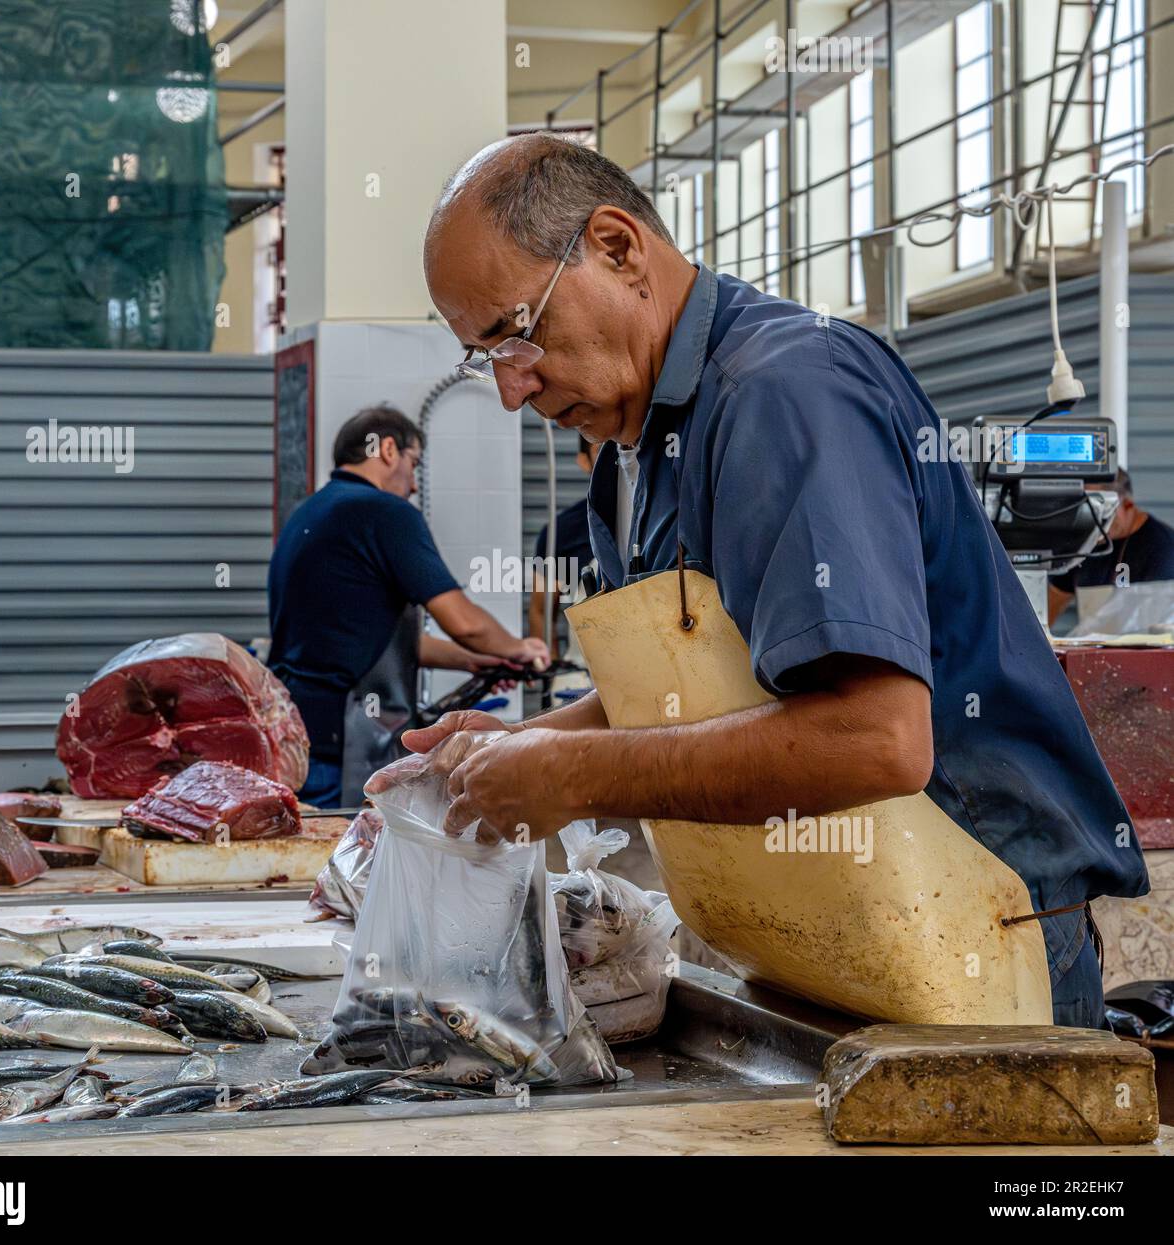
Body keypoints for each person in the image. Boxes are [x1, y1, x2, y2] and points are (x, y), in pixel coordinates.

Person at [402, 133, 1148, 1028]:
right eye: (484, 362)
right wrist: (495, 753)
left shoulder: (789, 392)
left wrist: (572, 770)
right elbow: (705, 691)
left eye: (515, 336)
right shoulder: (636, 448)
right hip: (832, 942)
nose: (513, 393)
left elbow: (875, 739)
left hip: (974, 944)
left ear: (616, 246)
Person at [267, 405, 548, 808]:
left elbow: (376, 640)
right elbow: (463, 621)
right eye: (414, 463)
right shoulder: (385, 512)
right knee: (350, 859)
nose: (414, 485)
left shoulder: (311, 513)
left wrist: (473, 662)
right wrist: (519, 647)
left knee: (316, 857)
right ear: (387, 450)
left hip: (300, 734)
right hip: (347, 744)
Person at [1048, 467, 1174, 625]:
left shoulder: (1163, 548)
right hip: (1091, 646)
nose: (1093, 520)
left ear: (1127, 504)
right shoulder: (1081, 543)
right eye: (1084, 510)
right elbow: (1052, 604)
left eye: (1101, 510)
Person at [527, 434, 598, 658]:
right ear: (584, 461)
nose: (613, 459)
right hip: (583, 674)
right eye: (602, 450)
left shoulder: (659, 519)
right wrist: (553, 671)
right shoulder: (561, 532)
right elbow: (541, 611)